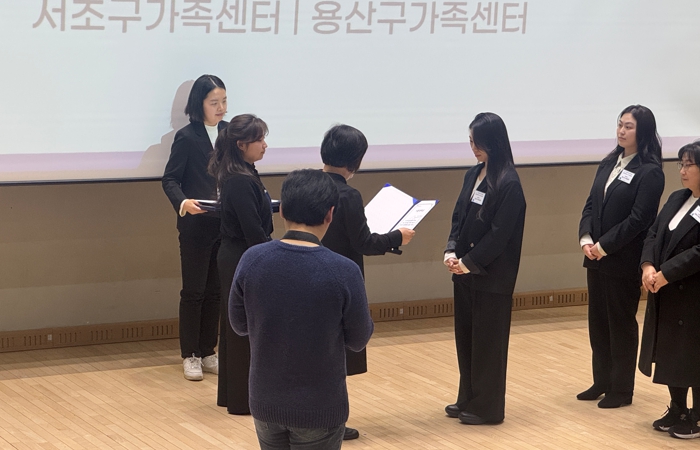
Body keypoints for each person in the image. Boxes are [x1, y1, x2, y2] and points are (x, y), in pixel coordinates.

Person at [230, 169, 374, 450]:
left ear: (282, 210)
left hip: (265, 401)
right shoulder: (344, 270)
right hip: (320, 406)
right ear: (330, 214)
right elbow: (358, 340)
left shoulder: (251, 259)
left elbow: (239, 324)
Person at [320, 124, 415, 440]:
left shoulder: (304, 182)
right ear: (355, 160)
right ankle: (332, 423)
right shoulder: (348, 195)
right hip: (340, 281)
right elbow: (363, 243)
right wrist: (396, 237)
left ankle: (314, 419)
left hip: (306, 273)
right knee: (337, 356)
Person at [577, 105, 664, 408]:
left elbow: (639, 220)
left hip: (622, 259)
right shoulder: (608, 163)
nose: (622, 131)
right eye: (620, 124)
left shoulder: (650, 172)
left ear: (643, 132)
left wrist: (604, 246)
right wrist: (586, 238)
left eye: (629, 126)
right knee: (598, 322)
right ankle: (601, 380)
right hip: (596, 257)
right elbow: (591, 205)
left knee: (620, 323)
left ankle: (622, 389)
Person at [443, 112, 526, 425]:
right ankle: (468, 397)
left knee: (488, 344)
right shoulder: (473, 173)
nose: (474, 148)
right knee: (466, 338)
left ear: (494, 142)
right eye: (470, 141)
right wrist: (451, 250)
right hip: (465, 273)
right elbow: (458, 217)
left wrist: (469, 263)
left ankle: (488, 407)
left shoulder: (509, 183)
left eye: (478, 142)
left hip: (492, 277)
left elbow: (499, 236)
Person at [162, 74, 227, 381]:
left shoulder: (230, 134)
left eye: (224, 101)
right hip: (196, 226)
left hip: (224, 223)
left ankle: (208, 351)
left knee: (216, 291)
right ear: (199, 104)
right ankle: (190, 354)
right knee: (194, 291)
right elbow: (170, 179)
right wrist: (184, 202)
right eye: (214, 102)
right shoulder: (187, 137)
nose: (221, 108)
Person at [208, 113, 273, 415]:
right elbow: (253, 231)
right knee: (242, 328)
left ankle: (234, 394)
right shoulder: (239, 180)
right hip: (242, 257)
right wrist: (275, 257)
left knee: (238, 327)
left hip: (240, 254)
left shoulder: (245, 173)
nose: (264, 145)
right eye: (259, 139)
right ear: (241, 145)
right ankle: (241, 398)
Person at [639, 141, 700, 439]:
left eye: (690, 165)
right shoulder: (678, 197)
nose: (683, 170)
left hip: (692, 293)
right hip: (666, 290)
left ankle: (698, 416)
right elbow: (653, 233)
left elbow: (698, 253)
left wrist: (667, 274)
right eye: (681, 164)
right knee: (671, 351)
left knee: (693, 353)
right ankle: (678, 408)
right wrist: (648, 266)